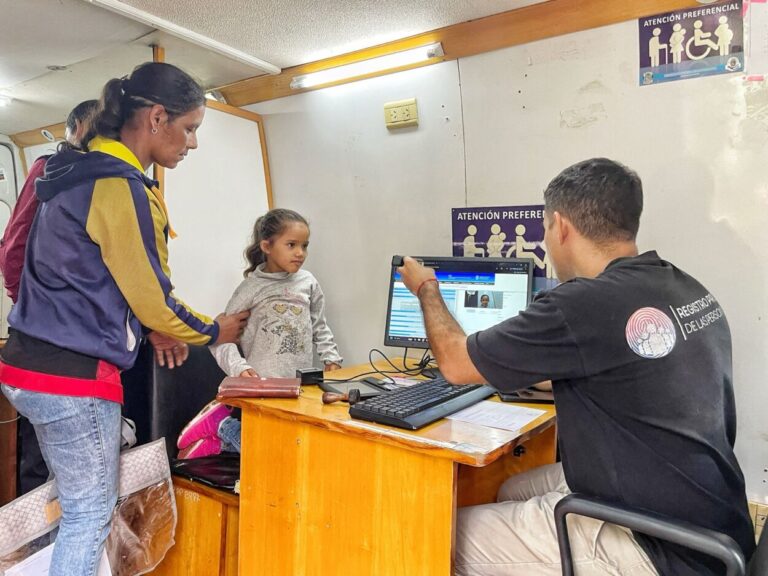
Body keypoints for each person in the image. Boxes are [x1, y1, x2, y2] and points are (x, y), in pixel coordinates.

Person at [397, 158, 755, 576]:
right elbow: (631, 371)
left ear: (561, 226)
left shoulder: (582, 303)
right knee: (511, 485)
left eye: (546, 230)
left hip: (659, 545)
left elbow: (457, 364)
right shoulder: (681, 286)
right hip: (716, 520)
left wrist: (426, 287)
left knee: (435, 534)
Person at [0, 61, 249, 576]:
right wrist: (213, 331)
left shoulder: (71, 172)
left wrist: (150, 327)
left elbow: (92, 277)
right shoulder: (119, 185)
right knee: (89, 514)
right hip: (73, 378)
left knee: (71, 506)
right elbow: (153, 298)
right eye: (190, 129)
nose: (193, 144)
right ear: (157, 117)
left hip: (29, 363)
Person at [176, 208, 343, 458]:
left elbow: (320, 325)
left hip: (299, 387)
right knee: (276, 453)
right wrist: (240, 370)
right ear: (267, 245)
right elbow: (220, 340)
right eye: (291, 245)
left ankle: (221, 440)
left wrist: (332, 359)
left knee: (291, 447)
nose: (300, 253)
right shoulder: (251, 288)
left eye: (305, 246)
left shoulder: (308, 282)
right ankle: (224, 425)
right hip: (262, 388)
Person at [0, 99, 99, 495]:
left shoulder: (109, 179)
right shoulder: (49, 169)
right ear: (72, 129)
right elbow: (13, 248)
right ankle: (33, 553)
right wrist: (29, 305)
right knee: (42, 467)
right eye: (90, 131)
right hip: (46, 338)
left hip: (86, 342)